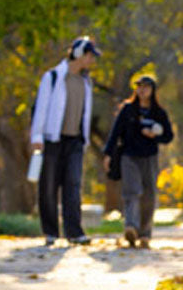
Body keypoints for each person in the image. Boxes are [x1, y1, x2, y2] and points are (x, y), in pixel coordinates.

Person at [30, 35, 100, 247]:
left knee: (73, 185)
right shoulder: (53, 77)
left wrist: (85, 139)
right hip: (53, 139)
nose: (92, 61)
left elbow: (85, 114)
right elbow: (41, 108)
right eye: (89, 56)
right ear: (78, 54)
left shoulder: (85, 82)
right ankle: (51, 232)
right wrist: (37, 136)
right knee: (49, 186)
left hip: (75, 141)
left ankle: (74, 232)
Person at [103, 74, 174, 248]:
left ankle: (145, 234)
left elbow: (168, 136)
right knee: (131, 191)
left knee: (149, 194)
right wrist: (108, 154)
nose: (142, 90)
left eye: (146, 87)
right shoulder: (128, 109)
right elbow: (115, 133)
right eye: (139, 86)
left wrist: (155, 135)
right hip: (129, 155)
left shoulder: (158, 112)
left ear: (152, 90)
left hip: (149, 157)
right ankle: (131, 227)